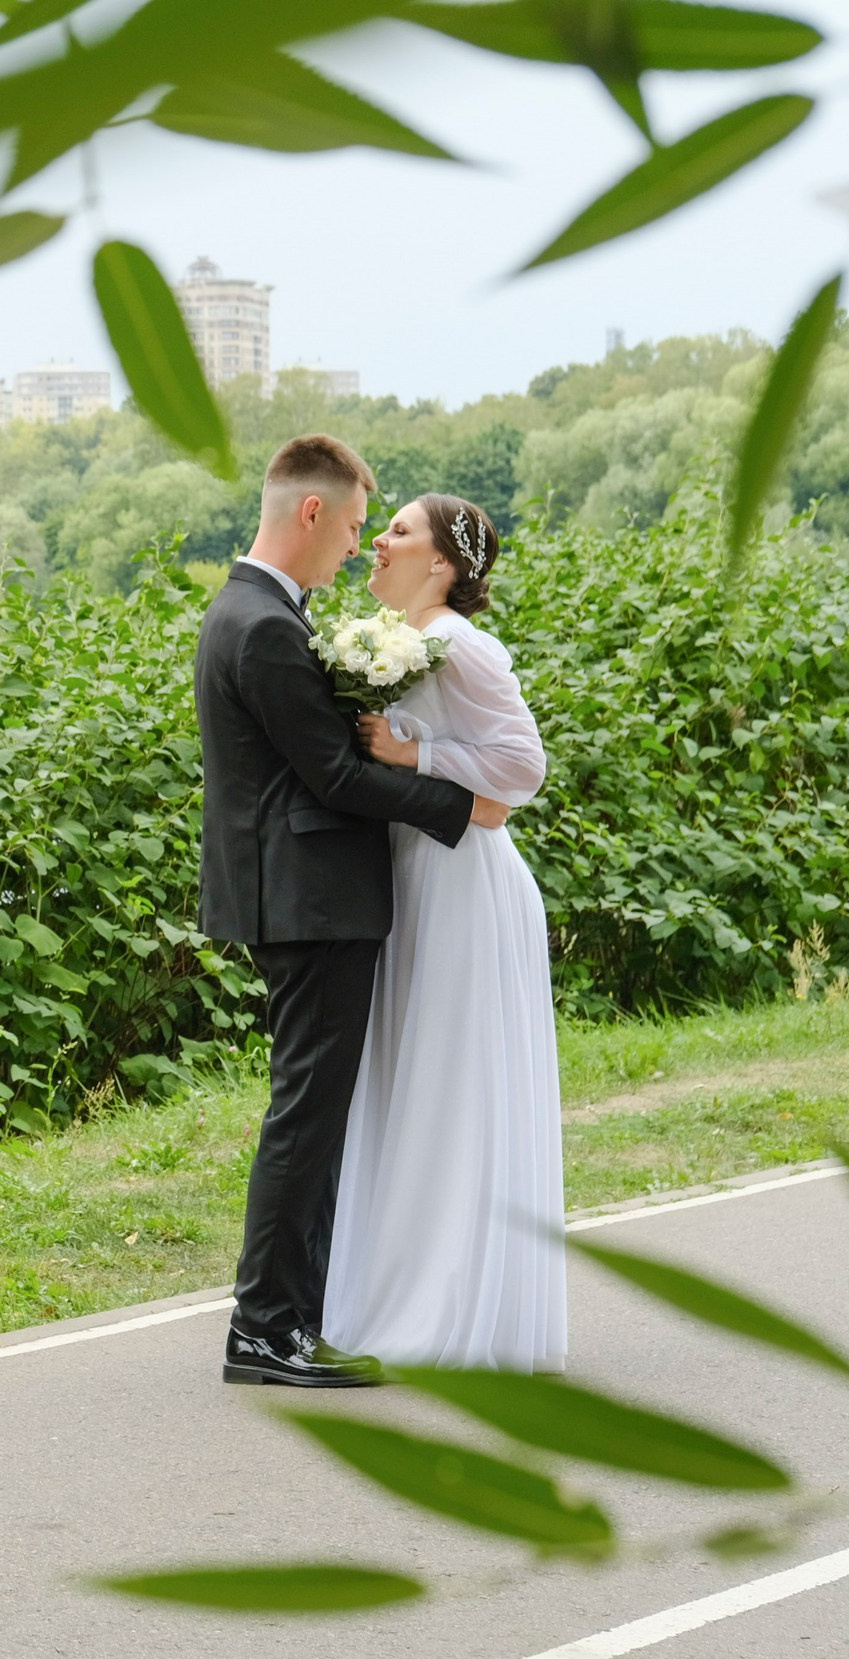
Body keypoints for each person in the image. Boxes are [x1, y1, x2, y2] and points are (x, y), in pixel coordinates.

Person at [193, 436, 511, 1389]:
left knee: (315, 1109)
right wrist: (465, 809)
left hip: (299, 897)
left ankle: (294, 1314)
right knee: (308, 1114)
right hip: (310, 901)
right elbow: (330, 773)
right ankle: (267, 1329)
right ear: (310, 513)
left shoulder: (257, 613)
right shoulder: (263, 627)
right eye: (357, 527)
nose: (358, 548)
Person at [324, 494, 568, 1373]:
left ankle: (446, 1308)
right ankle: (399, 1288)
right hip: (414, 877)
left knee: (445, 1082)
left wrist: (413, 755)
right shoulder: (403, 639)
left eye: (397, 531)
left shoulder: (457, 644)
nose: (378, 542)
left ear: (442, 566)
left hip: (462, 887)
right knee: (410, 1079)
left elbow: (522, 767)